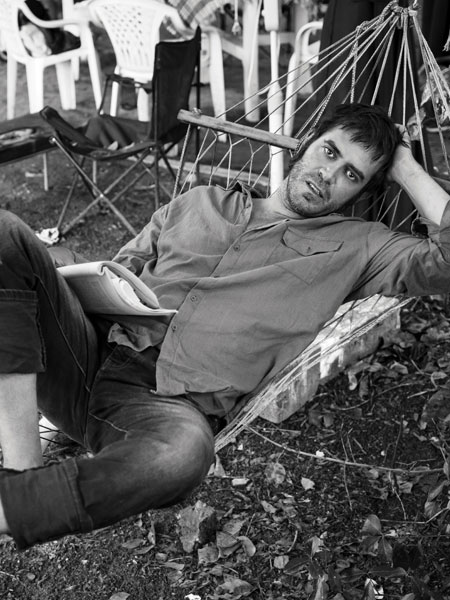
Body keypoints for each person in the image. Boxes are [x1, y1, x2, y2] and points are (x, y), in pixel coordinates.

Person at [1, 103, 450, 550]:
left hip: (163, 405)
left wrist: (406, 168)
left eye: (352, 174)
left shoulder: (358, 248)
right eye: (329, 151)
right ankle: (23, 471)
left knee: (183, 453)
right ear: (307, 140)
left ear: (364, 190)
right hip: (85, 351)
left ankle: (13, 501)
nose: (328, 174)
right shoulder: (201, 201)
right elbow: (116, 272)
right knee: (6, 234)